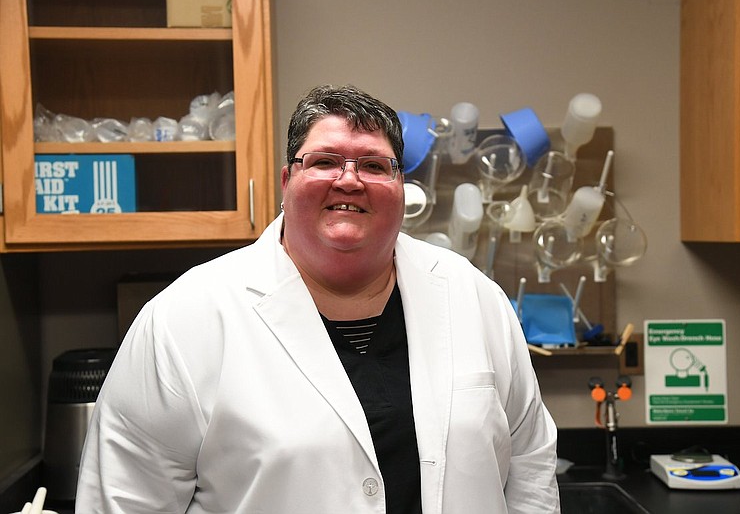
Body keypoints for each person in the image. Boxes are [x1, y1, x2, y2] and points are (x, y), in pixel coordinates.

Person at [76, 84, 560, 513]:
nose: (349, 180)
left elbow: (530, 462)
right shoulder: (183, 319)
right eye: (325, 161)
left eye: (373, 165)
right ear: (286, 182)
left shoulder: (474, 297)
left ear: (399, 189)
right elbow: (124, 499)